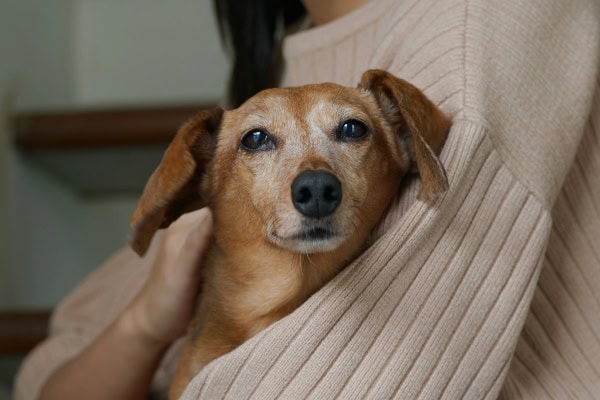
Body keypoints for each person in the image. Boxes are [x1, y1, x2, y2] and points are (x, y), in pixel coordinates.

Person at [16, 0, 600, 399]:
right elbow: (50, 375)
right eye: (259, 141)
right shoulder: (272, 78)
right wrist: (145, 322)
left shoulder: (480, 24)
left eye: (349, 131)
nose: (314, 181)